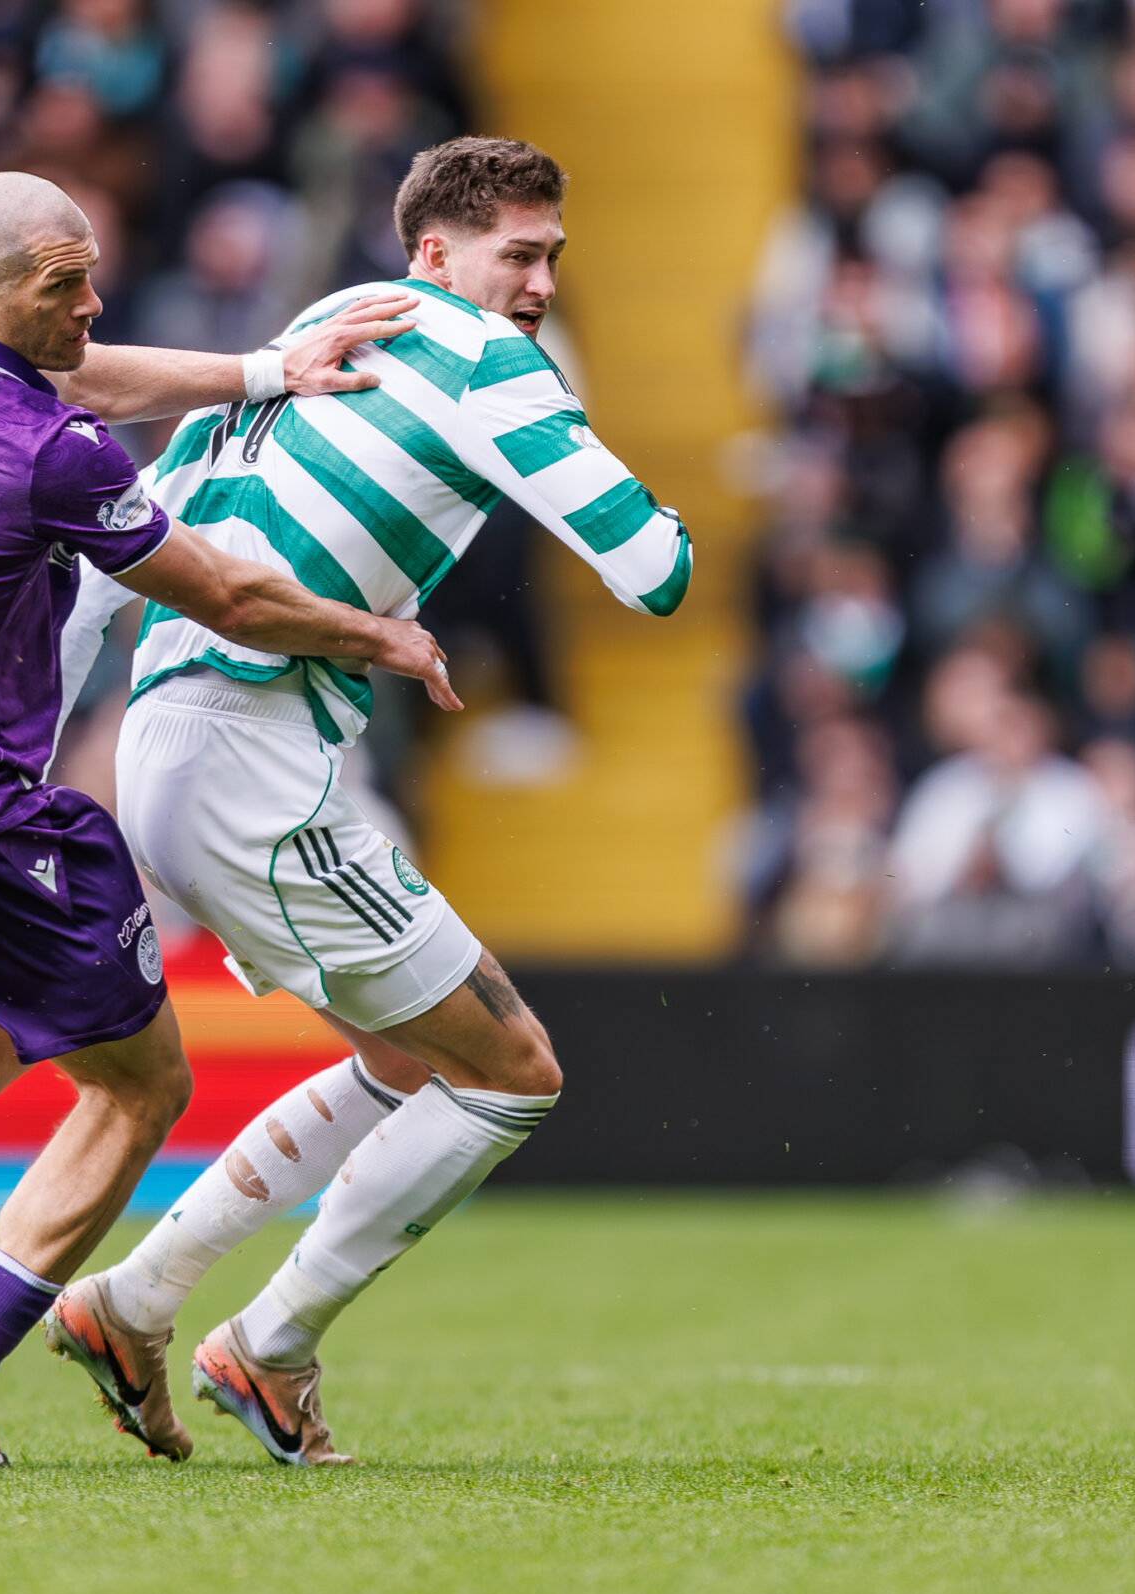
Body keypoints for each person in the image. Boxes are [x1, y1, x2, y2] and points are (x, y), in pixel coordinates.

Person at [0, 171, 458, 1468]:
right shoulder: (41, 459)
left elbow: (74, 376)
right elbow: (226, 596)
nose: (92, 303)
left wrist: (263, 371)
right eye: (64, 287)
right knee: (142, 1086)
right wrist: (378, 635)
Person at [39, 136, 689, 1466]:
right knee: (513, 1077)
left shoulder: (323, 325)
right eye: (520, 254)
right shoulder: (488, 361)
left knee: (405, 1059)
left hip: (181, 731)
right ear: (436, 256)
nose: (542, 284)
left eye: (554, 256)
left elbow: (140, 518)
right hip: (249, 759)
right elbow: (651, 571)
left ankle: (138, 1303)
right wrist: (631, 480)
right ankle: (264, 1347)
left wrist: (43, 735)